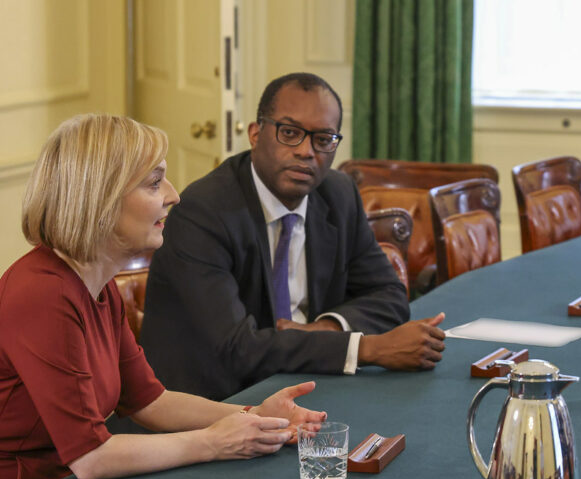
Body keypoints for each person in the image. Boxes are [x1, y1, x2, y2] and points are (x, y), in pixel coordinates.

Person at [0, 114, 327, 479]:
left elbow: (151, 402)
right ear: (101, 200)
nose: (174, 194)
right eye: (154, 182)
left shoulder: (96, 283)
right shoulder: (42, 294)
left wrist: (255, 417)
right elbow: (91, 457)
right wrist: (213, 443)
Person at [140, 73, 446, 401]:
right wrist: (364, 348)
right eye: (290, 133)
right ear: (256, 134)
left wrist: (324, 329)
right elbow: (235, 349)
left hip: (307, 384)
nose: (306, 151)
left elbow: (389, 294)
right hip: (213, 403)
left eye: (323, 139)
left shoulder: (338, 194)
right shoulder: (204, 212)